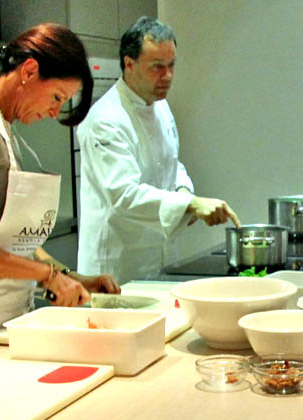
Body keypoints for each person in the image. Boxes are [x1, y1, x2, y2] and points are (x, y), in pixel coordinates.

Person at [0, 24, 119, 357]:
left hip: (8, 316)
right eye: (57, 97)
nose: (55, 112)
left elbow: (15, 243)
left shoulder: (3, 128)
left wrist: (70, 277)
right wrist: (46, 276)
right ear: (29, 71)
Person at [76, 17, 241, 284]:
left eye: (171, 65)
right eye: (157, 67)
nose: (168, 76)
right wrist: (190, 204)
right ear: (129, 64)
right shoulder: (105, 119)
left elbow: (170, 162)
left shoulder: (159, 105)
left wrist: (184, 191)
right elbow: (124, 195)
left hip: (159, 256)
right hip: (116, 266)